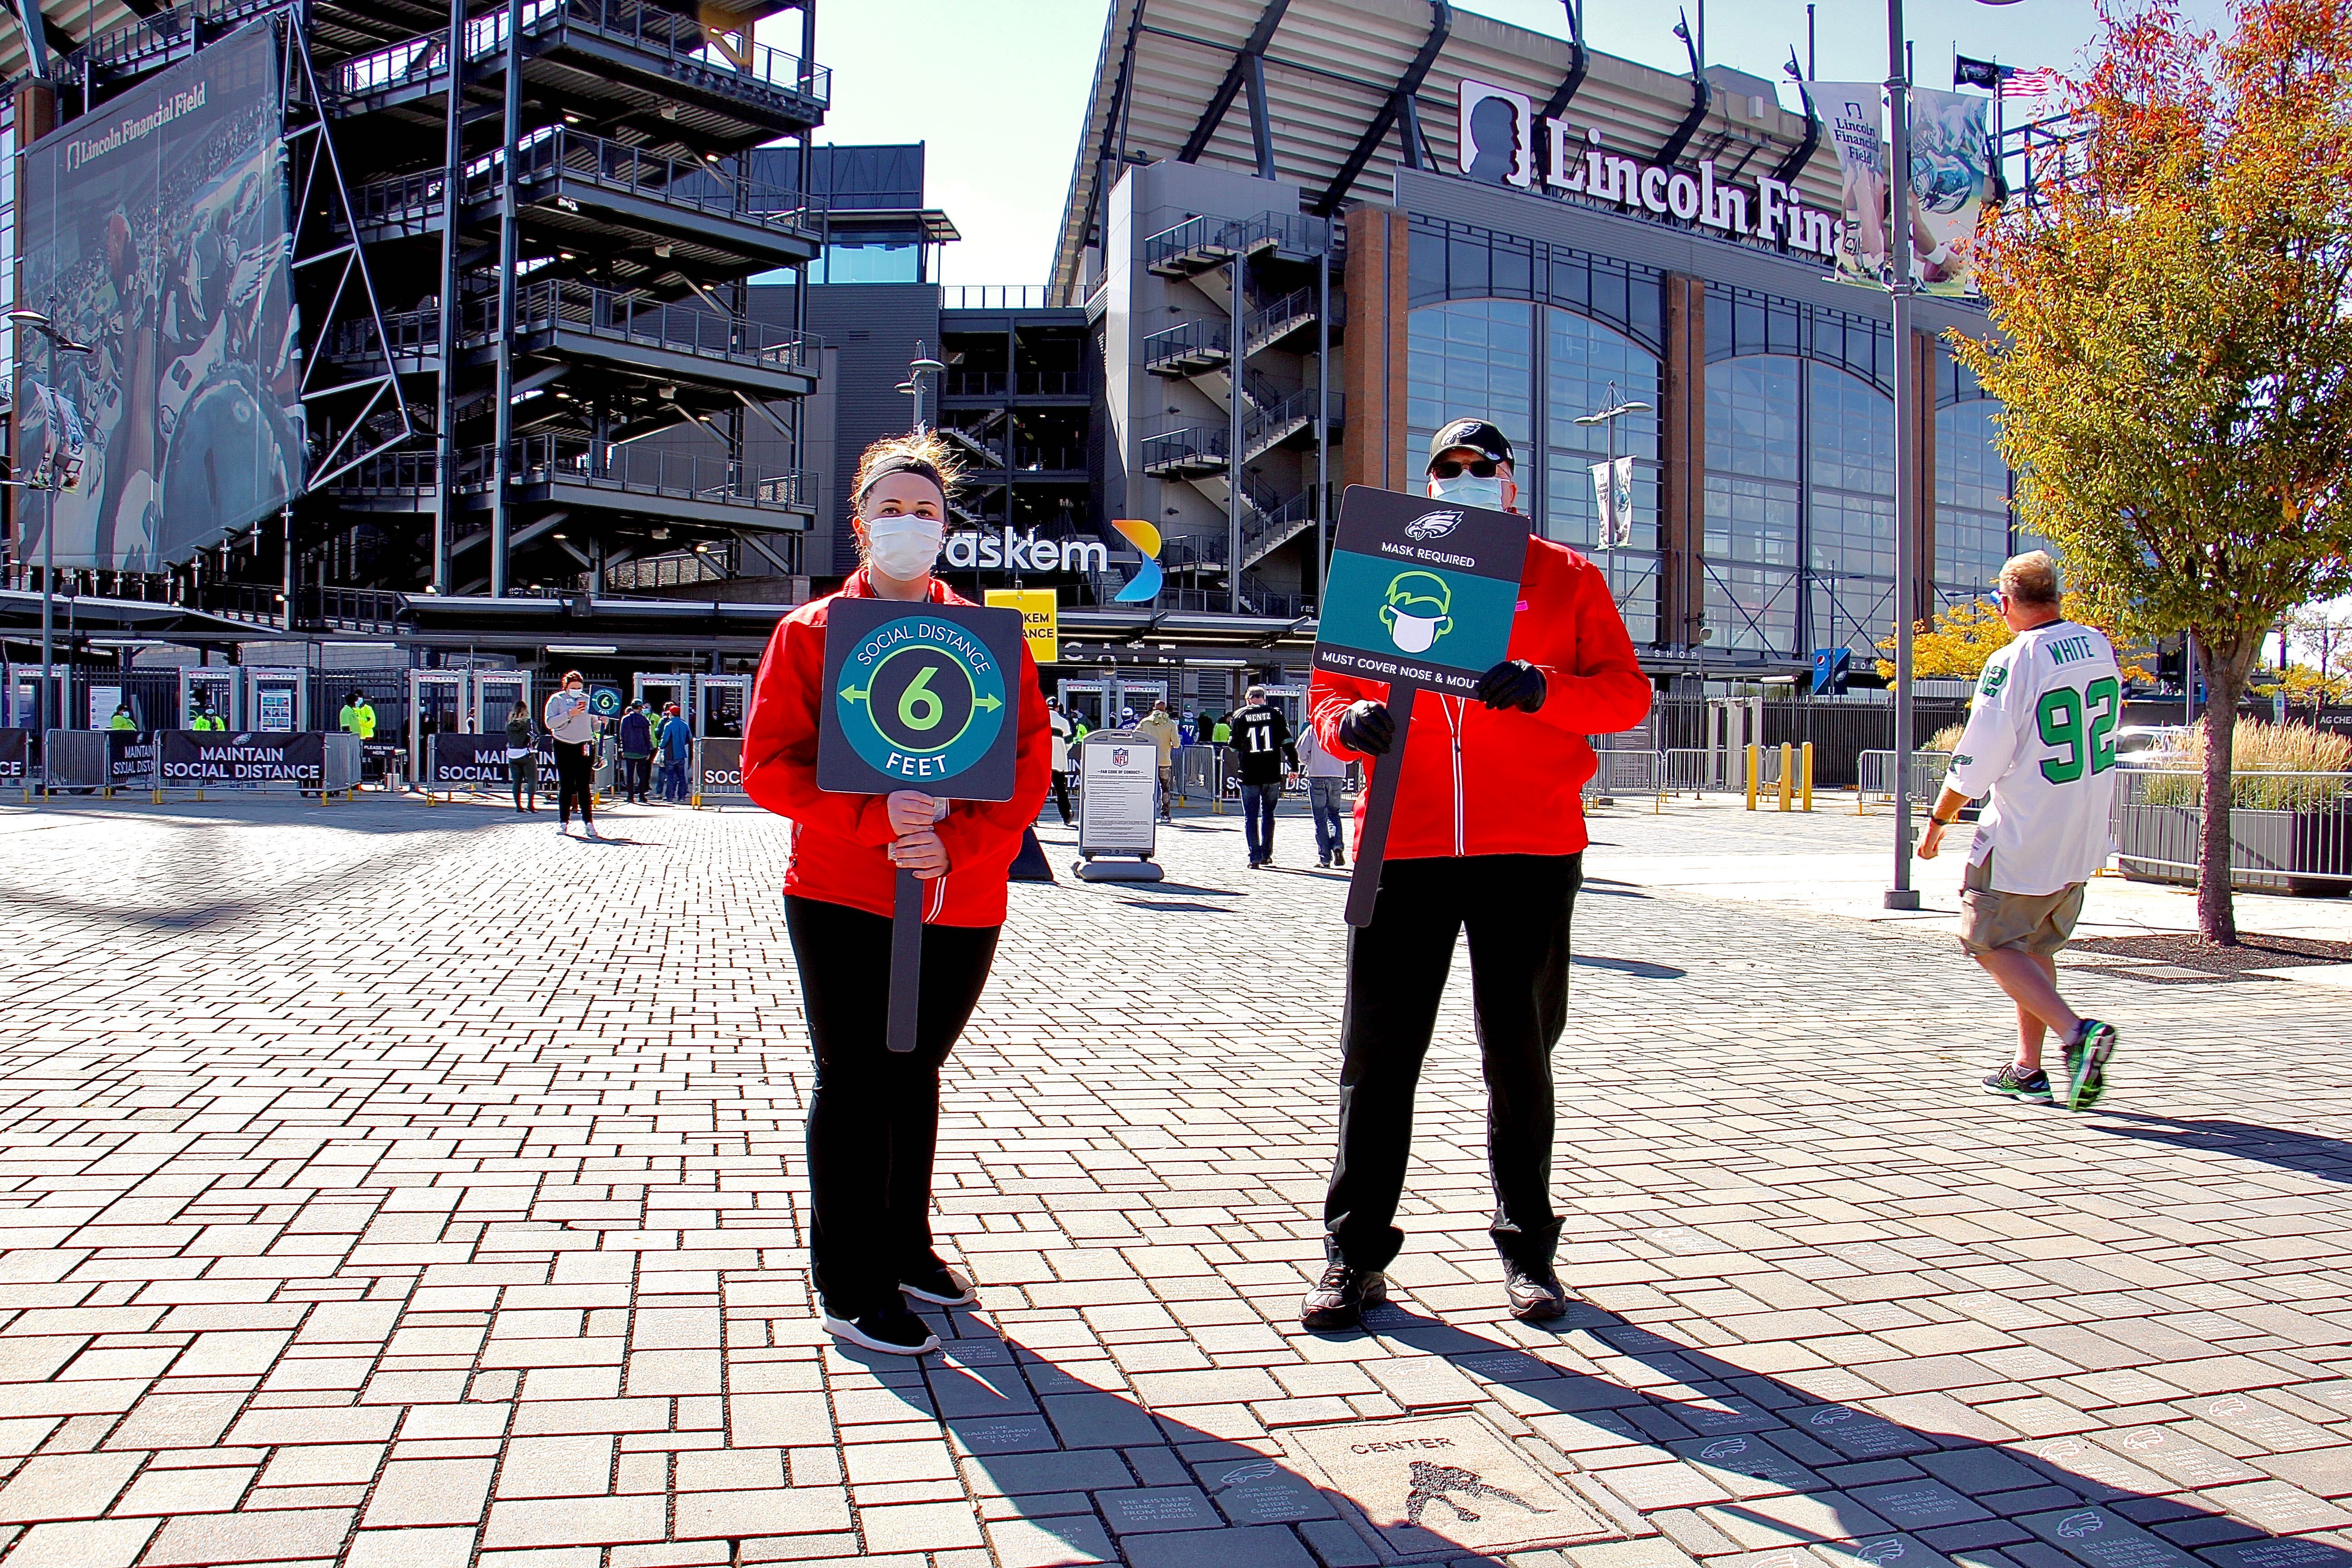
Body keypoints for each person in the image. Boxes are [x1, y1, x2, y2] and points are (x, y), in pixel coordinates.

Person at [1301, 417, 1651, 1330]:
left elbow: (1627, 693)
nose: (1461, 478)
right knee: (1375, 1061)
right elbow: (1328, 693)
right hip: (1399, 844)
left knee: (1520, 1055)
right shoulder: (1380, 567)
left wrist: (1544, 688)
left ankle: (1530, 1249)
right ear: (1428, 480)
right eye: (1445, 467)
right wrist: (1351, 724)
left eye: (1479, 467)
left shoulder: (1566, 577)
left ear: (1509, 480)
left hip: (1528, 849)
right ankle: (1353, 1257)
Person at [742, 431, 1050, 1357]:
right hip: (841, 892)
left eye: (926, 511)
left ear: (947, 528)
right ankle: (850, 1278)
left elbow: (1030, 759)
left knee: (915, 1072)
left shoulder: (988, 635)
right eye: (891, 510)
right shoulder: (810, 633)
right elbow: (769, 767)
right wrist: (879, 821)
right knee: (856, 1076)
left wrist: (955, 842)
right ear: (860, 525)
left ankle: (908, 1246)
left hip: (961, 894)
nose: (908, 524)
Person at [1917, 550, 2122, 1110]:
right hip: (2081, 829)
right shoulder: (2098, 646)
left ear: (2005, 604)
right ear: (2056, 595)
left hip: (2024, 827)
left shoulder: (2014, 660)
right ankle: (2028, 1069)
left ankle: (2076, 1034)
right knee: (2032, 946)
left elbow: (1977, 757)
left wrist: (1937, 823)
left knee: (1983, 938)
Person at [1227, 686, 1297, 867]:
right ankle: (1267, 854)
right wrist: (1295, 766)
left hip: (1249, 774)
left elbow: (1233, 747)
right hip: (1271, 774)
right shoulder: (1275, 714)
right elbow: (1288, 744)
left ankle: (1255, 856)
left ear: (1248, 699)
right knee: (1269, 815)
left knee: (1251, 816)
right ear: (1264, 698)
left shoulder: (1240, 715)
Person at [542, 670, 601, 839]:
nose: (577, 690)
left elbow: (594, 725)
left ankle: (588, 823)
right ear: (566, 686)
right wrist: (570, 714)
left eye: (579, 687)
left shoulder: (589, 700)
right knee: (567, 784)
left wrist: (601, 722)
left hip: (584, 744)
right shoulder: (557, 700)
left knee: (584, 785)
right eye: (573, 687)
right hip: (563, 743)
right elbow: (550, 722)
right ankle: (563, 822)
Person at [1298, 721, 1351, 870]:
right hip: (1337, 775)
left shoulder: (1313, 729)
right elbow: (1350, 754)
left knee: (1320, 818)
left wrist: (1309, 762)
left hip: (1317, 775)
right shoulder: (1340, 726)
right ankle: (1338, 845)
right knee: (1334, 813)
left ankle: (1325, 858)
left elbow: (1301, 753)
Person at [1134, 699, 1180, 822]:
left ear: (1153, 709)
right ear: (1166, 710)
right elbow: (1176, 744)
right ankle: (1165, 815)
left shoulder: (1145, 722)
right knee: (1165, 788)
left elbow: (1135, 737)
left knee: (1145, 787)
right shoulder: (1171, 724)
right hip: (1164, 761)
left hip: (1147, 760)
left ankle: (1144, 814)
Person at [505, 700, 539, 814]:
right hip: (527, 753)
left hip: (512, 754)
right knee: (532, 780)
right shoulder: (529, 722)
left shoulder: (509, 723)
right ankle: (530, 804)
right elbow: (537, 735)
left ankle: (518, 806)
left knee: (517, 782)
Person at [618, 700, 655, 804]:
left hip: (629, 750)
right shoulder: (644, 720)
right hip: (642, 751)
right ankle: (642, 796)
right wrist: (648, 751)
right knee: (642, 774)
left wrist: (623, 749)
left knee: (630, 774)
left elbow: (623, 736)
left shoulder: (625, 719)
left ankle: (630, 797)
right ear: (640, 708)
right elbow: (648, 737)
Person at [657, 703, 693, 803]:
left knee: (671, 776)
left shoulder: (669, 725)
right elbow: (689, 738)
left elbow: (665, 740)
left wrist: (661, 747)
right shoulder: (684, 724)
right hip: (681, 754)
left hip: (670, 754)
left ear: (671, 714)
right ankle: (682, 796)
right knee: (682, 776)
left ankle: (670, 796)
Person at [1048, 702, 1075, 827]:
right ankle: (1066, 816)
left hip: (1042, 761)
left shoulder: (1040, 718)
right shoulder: (1063, 721)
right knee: (1061, 791)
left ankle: (1033, 818)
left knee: (1037, 790)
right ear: (1057, 708)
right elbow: (1069, 742)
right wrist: (1061, 751)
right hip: (1058, 762)